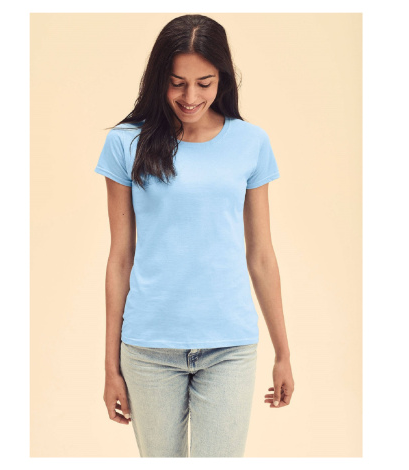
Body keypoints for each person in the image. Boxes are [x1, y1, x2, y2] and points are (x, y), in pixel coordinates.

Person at [95, 14, 294, 458]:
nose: (190, 97)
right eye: (177, 83)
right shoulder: (125, 143)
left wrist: (283, 353)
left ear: (222, 78)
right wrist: (110, 367)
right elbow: (120, 258)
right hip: (149, 347)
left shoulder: (251, 142)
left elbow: (261, 255)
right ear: (158, 80)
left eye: (204, 83)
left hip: (229, 346)